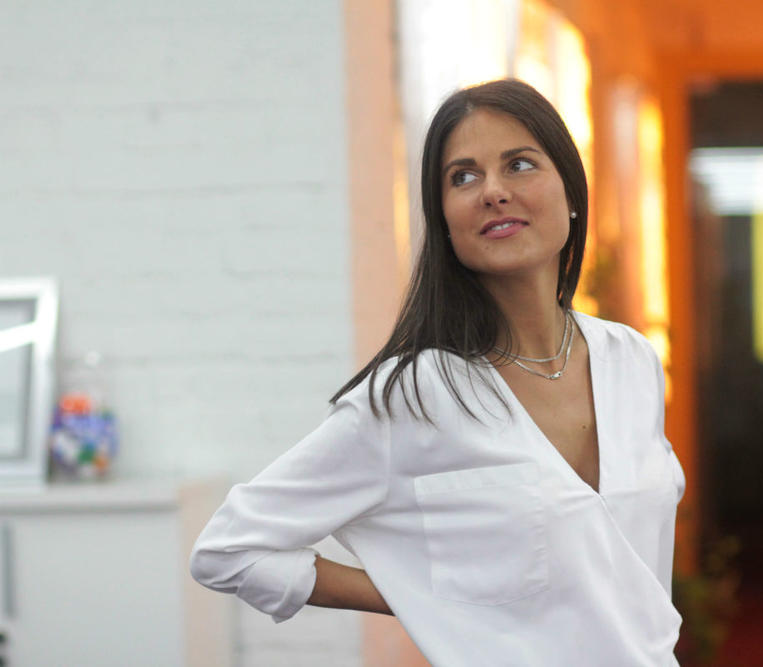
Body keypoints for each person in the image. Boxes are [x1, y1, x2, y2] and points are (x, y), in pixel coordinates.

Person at [190, 78, 686, 666]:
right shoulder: (416, 396)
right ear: (445, 221)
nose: (493, 191)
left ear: (571, 192)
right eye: (464, 177)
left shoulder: (631, 361)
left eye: (519, 164)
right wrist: (421, 599)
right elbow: (228, 550)